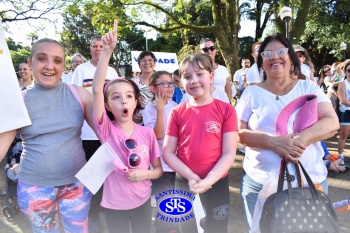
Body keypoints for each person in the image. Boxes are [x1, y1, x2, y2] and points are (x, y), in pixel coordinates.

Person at [235, 33, 339, 232]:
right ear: (261, 62)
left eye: (281, 51)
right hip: (259, 182)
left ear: (291, 57)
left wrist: (299, 140)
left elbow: (332, 121)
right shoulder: (251, 93)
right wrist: (273, 143)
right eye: (267, 54)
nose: (275, 57)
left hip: (309, 183)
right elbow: (238, 132)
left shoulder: (307, 87)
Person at [0, 38, 94, 232]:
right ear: (30, 62)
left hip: (76, 186)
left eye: (57, 60)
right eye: (42, 58)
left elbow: (108, 132)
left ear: (63, 65)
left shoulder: (80, 94)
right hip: (35, 189)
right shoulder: (19, 101)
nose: (50, 66)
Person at [92, 20, 163, 233]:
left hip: (142, 203)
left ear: (135, 102)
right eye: (116, 97)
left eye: (129, 96)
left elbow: (158, 170)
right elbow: (96, 90)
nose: (123, 101)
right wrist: (106, 52)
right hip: (113, 207)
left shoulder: (147, 133)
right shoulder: (106, 130)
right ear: (107, 106)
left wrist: (145, 175)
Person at [163, 53, 237, 232]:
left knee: (217, 228)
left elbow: (229, 153)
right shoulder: (177, 113)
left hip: (217, 181)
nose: (194, 80)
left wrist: (209, 179)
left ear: (211, 77)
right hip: (184, 181)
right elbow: (167, 151)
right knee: (186, 227)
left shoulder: (226, 110)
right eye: (187, 77)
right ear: (181, 81)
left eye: (199, 74)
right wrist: (190, 176)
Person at [143, 71, 179, 232]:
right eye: (164, 83)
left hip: (177, 165)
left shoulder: (177, 106)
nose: (170, 86)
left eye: (171, 83)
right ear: (152, 88)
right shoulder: (149, 109)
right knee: (164, 203)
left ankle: (172, 228)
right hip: (161, 166)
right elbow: (157, 135)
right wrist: (160, 110)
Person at [132, 51, 157, 125]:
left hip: (157, 120)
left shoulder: (161, 80)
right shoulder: (132, 82)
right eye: (143, 60)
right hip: (138, 122)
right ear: (139, 65)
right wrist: (131, 115)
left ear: (154, 63)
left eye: (150, 60)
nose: (147, 63)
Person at [337, 62, 350, 162]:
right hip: (346, 112)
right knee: (344, 135)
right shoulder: (343, 84)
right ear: (345, 72)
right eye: (349, 71)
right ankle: (340, 155)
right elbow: (343, 100)